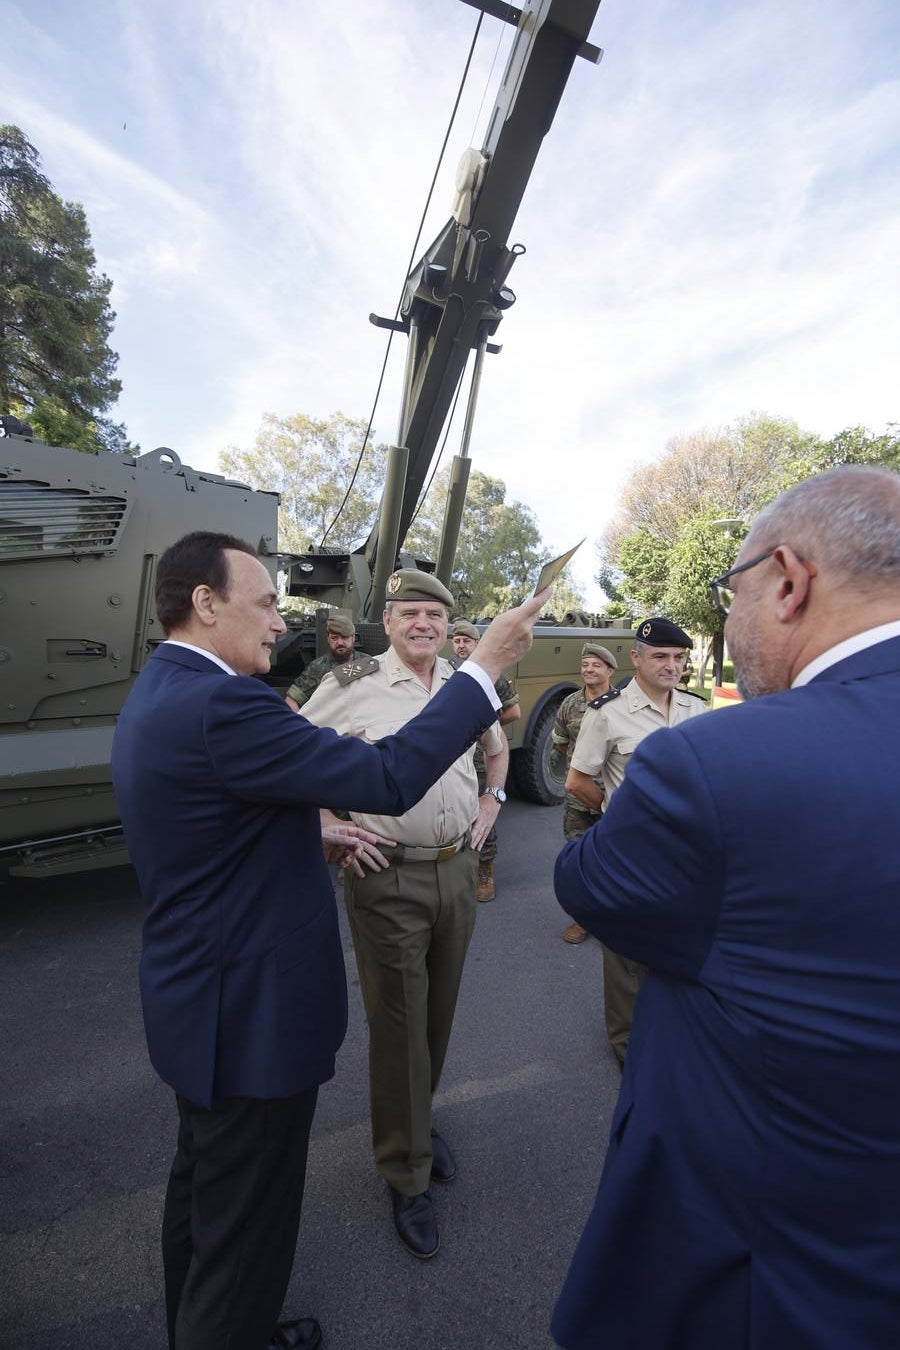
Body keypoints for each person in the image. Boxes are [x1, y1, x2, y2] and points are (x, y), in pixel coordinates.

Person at [110, 533, 546, 1350]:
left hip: (202, 1001)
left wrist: (312, 836)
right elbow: (385, 778)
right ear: (205, 604)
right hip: (249, 1020)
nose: (281, 623)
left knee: (205, 1206)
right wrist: (484, 664)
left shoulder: (164, 690)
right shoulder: (223, 703)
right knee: (245, 1226)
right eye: (266, 602)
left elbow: (214, 819)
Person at [552, 466, 900, 1350]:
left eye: (729, 590)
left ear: (788, 580)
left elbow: (588, 883)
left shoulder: (717, 760)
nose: (721, 625)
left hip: (760, 1287)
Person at [301, 571, 510, 1259]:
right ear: (386, 621)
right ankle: (404, 1171)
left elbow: (494, 747)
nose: (424, 625)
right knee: (398, 1026)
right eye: (411, 613)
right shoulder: (352, 680)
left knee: (436, 1016)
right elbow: (291, 761)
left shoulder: (460, 681)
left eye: (435, 615)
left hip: (454, 869)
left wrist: (492, 802)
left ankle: (416, 1125)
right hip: (386, 877)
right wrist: (330, 822)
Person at [565, 617, 705, 1063]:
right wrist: (615, 813)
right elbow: (576, 781)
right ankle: (628, 1046)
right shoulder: (607, 712)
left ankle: (671, 1029)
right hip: (633, 854)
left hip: (684, 852)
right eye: (661, 656)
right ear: (636, 658)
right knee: (626, 955)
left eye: (679, 658)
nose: (671, 665)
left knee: (677, 943)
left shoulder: (694, 708)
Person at [549, 642, 618, 944]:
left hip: (614, 799)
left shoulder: (624, 704)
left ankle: (612, 919)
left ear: (610, 670)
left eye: (596, 665)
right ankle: (583, 918)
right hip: (578, 798)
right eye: (586, 665)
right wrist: (577, 768)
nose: (589, 670)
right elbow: (561, 742)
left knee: (613, 860)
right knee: (578, 858)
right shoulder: (570, 704)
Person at [451, 618, 521, 900]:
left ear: (477, 644)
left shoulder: (489, 673)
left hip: (480, 758)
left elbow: (514, 712)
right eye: (456, 640)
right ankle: (456, 869)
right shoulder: (444, 669)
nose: (460, 645)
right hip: (450, 755)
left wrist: (481, 724)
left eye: (466, 641)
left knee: (482, 812)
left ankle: (485, 871)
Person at [284, 611, 367, 711]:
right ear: (328, 639)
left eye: (344, 637)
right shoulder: (318, 667)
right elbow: (293, 700)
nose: (340, 642)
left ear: (353, 638)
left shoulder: (367, 663)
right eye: (334, 638)